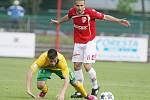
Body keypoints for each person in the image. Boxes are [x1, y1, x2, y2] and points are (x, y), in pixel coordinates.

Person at [51, 0, 130, 98]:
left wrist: (118, 20)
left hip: (89, 42)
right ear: (74, 5)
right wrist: (58, 22)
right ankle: (80, 90)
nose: (79, 7)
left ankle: (95, 87)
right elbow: (68, 16)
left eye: (81, 5)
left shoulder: (90, 12)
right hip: (78, 42)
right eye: (77, 5)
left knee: (87, 66)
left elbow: (105, 16)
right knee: (76, 66)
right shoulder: (72, 11)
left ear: (84, 5)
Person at [26, 49, 96, 100]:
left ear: (57, 57)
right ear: (47, 58)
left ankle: (86, 96)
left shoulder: (62, 60)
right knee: (40, 85)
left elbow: (67, 79)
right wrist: (28, 89)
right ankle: (44, 91)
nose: (53, 63)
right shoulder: (42, 58)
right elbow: (30, 71)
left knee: (74, 83)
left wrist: (62, 93)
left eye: (54, 61)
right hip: (46, 68)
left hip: (59, 69)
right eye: (51, 61)